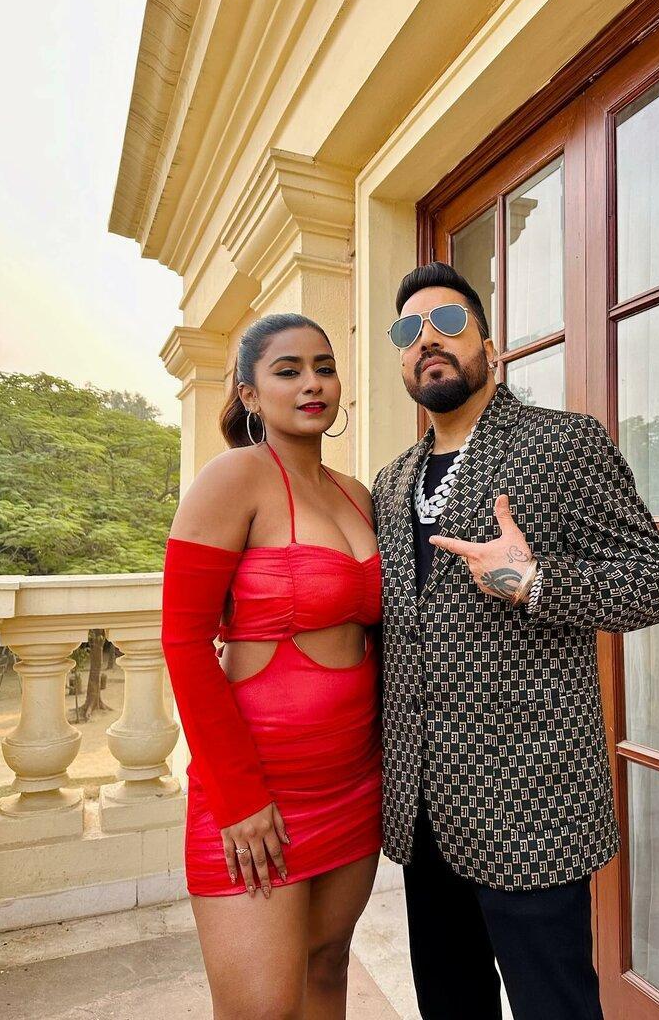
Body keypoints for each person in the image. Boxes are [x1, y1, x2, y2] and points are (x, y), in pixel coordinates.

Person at [371, 262, 659, 1020]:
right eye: (409, 331)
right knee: (450, 1006)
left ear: (489, 346)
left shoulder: (562, 444)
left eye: (449, 323)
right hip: (423, 809)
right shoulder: (391, 481)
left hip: (532, 805)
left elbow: (657, 583)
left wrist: (536, 581)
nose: (428, 341)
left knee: (556, 1007)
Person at [160, 312, 382, 1019]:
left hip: (354, 781)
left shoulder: (357, 494)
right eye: (288, 371)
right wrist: (238, 797)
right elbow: (183, 642)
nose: (312, 384)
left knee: (327, 970)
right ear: (250, 394)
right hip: (260, 792)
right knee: (263, 1010)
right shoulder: (233, 479)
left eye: (324, 368)